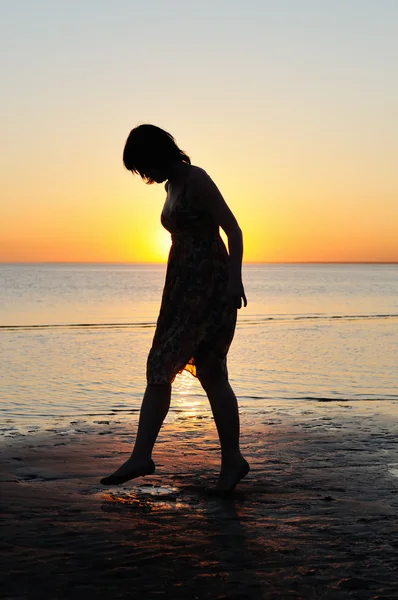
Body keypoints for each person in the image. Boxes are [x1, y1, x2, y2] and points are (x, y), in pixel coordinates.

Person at [100, 124, 249, 492]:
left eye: (144, 167)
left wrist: (234, 282)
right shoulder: (170, 187)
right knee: (190, 370)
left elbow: (234, 230)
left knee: (194, 369)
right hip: (181, 287)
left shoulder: (196, 179)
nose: (146, 176)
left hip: (209, 285)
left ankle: (147, 455)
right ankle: (228, 460)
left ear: (159, 153)